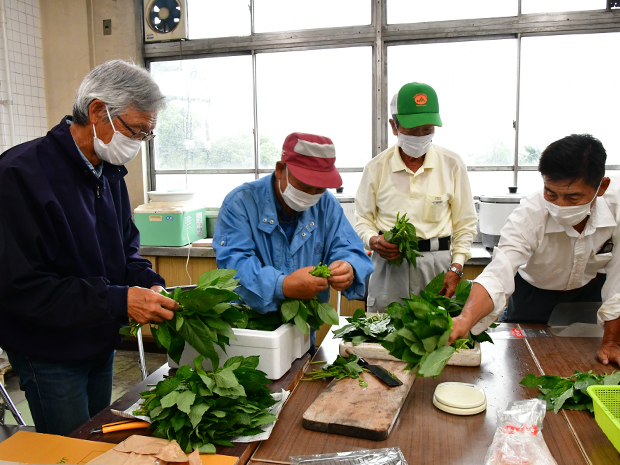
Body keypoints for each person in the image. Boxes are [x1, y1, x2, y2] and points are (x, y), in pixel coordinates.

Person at [0, 60, 179, 435]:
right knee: (70, 447)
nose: (139, 144)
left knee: (98, 435)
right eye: (137, 131)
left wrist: (147, 282)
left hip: (98, 337)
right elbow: (22, 287)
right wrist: (117, 300)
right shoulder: (20, 175)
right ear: (98, 111)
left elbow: (124, 251)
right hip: (48, 349)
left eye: (148, 135)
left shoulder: (107, 172)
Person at [449, 134, 620, 366]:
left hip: (590, 295)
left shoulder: (616, 207)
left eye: (573, 197)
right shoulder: (530, 213)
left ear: (602, 187)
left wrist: (611, 340)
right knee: (525, 363)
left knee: (587, 360)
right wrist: (465, 318)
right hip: (532, 295)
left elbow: (618, 279)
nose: (559, 206)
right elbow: (500, 271)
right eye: (551, 193)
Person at [213, 132, 374, 352]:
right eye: (305, 185)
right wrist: (283, 285)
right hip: (248, 329)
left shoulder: (326, 204)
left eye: (319, 188)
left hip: (302, 328)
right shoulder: (241, 203)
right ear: (280, 169)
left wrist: (349, 267)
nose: (312, 194)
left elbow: (348, 247)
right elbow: (234, 267)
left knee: (299, 378)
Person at [355, 82, 477, 312]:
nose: (420, 136)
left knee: (434, 335)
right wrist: (373, 240)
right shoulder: (376, 168)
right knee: (383, 333)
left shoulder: (452, 164)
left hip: (436, 265)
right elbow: (363, 219)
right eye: (412, 130)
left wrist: (457, 267)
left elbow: (466, 223)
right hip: (389, 265)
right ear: (394, 126)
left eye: (427, 129)